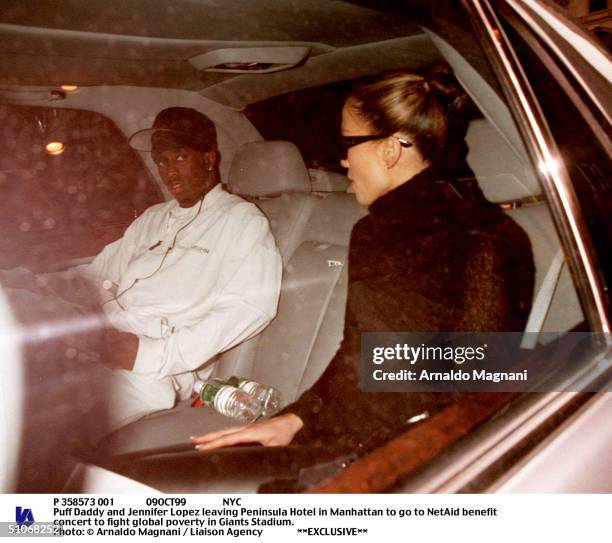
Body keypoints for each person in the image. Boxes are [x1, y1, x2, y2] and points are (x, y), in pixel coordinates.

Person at [190, 64, 535, 464]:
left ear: (390, 149)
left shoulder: (482, 241)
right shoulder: (374, 231)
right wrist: (295, 419)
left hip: (397, 464)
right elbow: (358, 354)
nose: (343, 161)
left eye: (349, 143)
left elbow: (470, 396)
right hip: (342, 442)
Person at [1, 107, 282, 434]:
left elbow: (250, 308)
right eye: (162, 161)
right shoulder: (154, 218)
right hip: (94, 336)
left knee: (28, 423)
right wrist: (33, 287)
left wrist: (151, 355)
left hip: (153, 367)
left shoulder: (242, 221)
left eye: (180, 158)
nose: (169, 172)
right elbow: (96, 273)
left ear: (209, 158)